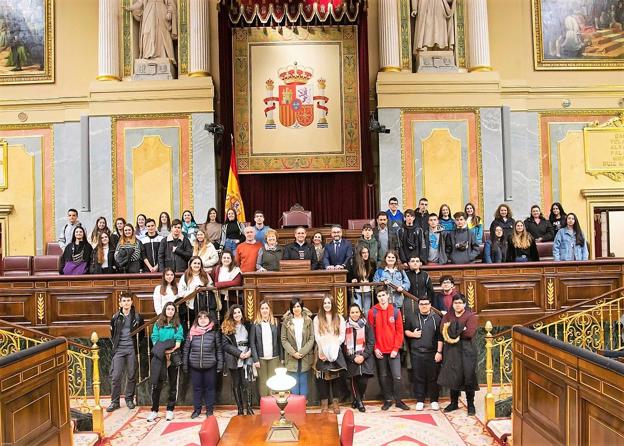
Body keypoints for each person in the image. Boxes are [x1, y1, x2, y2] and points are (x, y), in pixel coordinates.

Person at [438, 294, 479, 416]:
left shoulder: (471, 316)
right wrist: (461, 328)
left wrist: (453, 329)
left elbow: (470, 333)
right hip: (452, 350)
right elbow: (442, 330)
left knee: (468, 376)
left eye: (460, 303)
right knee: (453, 376)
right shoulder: (448, 315)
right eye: (455, 303)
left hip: (467, 350)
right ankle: (454, 403)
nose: (458, 305)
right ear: (453, 304)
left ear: (465, 304)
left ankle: (470, 405)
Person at [368, 288, 409, 411]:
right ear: (377, 297)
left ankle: (398, 401)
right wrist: (375, 348)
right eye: (379, 295)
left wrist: (396, 348)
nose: (381, 297)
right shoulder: (372, 312)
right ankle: (387, 400)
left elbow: (399, 332)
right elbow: (371, 333)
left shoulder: (395, 311)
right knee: (384, 376)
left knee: (397, 376)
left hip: (393, 351)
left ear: (388, 296)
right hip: (380, 351)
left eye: (383, 295)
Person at [404, 296, 442, 411]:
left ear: (430, 305)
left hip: (432, 353)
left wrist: (439, 352)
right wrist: (413, 335)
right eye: (421, 304)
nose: (424, 306)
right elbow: (406, 331)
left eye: (426, 303)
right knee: (418, 377)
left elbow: (441, 337)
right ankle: (420, 400)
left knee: (433, 378)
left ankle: (434, 400)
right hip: (417, 352)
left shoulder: (437, 318)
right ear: (418, 305)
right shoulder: (412, 317)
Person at [107, 292, 144, 412]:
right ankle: (115, 401)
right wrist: (116, 346)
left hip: (131, 349)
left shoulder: (138, 317)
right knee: (115, 376)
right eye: (124, 301)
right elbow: (113, 334)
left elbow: (142, 334)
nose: (126, 303)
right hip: (119, 350)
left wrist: (136, 345)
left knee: (132, 374)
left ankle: (129, 399)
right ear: (120, 303)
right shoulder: (115, 317)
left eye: (128, 300)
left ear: (132, 302)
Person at [147, 302, 184, 422]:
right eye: (168, 309)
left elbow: (178, 341)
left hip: (172, 356)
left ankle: (170, 410)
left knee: (173, 384)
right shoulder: (158, 324)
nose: (170, 311)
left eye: (172, 309)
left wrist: (168, 351)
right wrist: (162, 350)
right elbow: (155, 339)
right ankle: (154, 410)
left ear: (175, 312)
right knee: (157, 384)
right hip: (159, 357)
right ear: (164, 310)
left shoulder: (178, 325)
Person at [183, 310, 223, 418]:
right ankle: (197, 410)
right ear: (197, 320)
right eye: (200, 318)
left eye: (205, 317)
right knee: (196, 389)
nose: (203, 319)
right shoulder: (191, 332)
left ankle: (209, 410)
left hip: (210, 366)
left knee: (210, 388)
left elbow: (219, 349)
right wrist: (185, 364)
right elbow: (186, 349)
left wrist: (220, 364)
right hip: (195, 366)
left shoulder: (214, 333)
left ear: (209, 320)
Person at [313, 296, 347, 414]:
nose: (327, 305)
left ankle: (336, 403)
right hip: (322, 350)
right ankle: (324, 403)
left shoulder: (340, 318)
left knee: (336, 377)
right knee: (323, 378)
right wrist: (323, 350)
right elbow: (317, 336)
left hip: (335, 350)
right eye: (325, 303)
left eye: (329, 303)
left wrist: (334, 347)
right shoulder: (317, 319)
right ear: (322, 305)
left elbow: (342, 336)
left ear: (332, 304)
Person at [221, 305, 255, 415]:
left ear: (242, 313)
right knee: (236, 384)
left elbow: (253, 340)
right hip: (234, 358)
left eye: (239, 312)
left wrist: (249, 352)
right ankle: (240, 409)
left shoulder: (248, 325)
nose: (237, 315)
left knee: (247, 383)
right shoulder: (227, 327)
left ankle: (249, 407)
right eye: (234, 313)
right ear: (231, 315)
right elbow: (226, 345)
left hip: (247, 357)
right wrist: (239, 354)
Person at [343, 303, 375, 412]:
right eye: (352, 312)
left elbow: (371, 342)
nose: (355, 314)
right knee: (354, 380)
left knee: (363, 382)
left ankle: (357, 399)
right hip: (351, 359)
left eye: (357, 312)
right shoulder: (345, 326)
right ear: (349, 314)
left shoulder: (366, 324)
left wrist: (363, 356)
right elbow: (344, 345)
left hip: (365, 358)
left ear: (360, 313)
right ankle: (360, 402)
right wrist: (353, 357)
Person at [281, 297, 315, 397]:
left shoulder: (308, 321)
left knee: (304, 383)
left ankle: (303, 407)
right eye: (294, 306)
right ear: (291, 308)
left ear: (302, 307)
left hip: (305, 356)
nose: (296, 308)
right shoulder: (286, 322)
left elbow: (311, 338)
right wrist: (294, 353)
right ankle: (295, 408)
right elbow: (284, 339)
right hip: (291, 357)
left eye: (298, 306)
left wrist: (302, 352)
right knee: (294, 385)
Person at [250, 300, 282, 397]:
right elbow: (252, 343)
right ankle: (264, 405)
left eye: (266, 308)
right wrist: (255, 359)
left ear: (270, 310)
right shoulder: (255, 324)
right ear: (259, 310)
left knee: (272, 381)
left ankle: (272, 404)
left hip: (274, 357)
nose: (264, 310)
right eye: (262, 308)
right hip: (261, 359)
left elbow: (279, 341)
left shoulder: (275, 323)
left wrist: (282, 358)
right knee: (263, 382)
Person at [179, 256, 214, 329]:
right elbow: (181, 292)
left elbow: (211, 286)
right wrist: (193, 290)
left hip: (204, 304)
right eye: (195, 263)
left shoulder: (205, 274)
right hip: (191, 306)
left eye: (199, 263)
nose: (197, 265)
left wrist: (203, 288)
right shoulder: (185, 276)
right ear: (190, 264)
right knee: (194, 324)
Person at [212, 250, 243, 320]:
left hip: (231, 298)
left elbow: (236, 282)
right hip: (219, 297)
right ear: (221, 259)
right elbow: (213, 281)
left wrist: (219, 285)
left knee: (231, 316)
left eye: (228, 258)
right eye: (224, 258)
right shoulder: (216, 269)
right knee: (221, 317)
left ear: (231, 259)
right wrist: (217, 285)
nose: (226, 259)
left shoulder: (236, 269)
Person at [404, 256, 435, 322]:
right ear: (409, 263)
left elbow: (430, 290)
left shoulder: (425, 275)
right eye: (412, 261)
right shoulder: (405, 274)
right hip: (409, 303)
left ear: (420, 263)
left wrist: (428, 301)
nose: (415, 263)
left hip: (422, 303)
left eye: (417, 261)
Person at [347, 246, 376, 315]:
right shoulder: (353, 263)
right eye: (363, 253)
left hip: (368, 290)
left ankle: (366, 325)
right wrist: (352, 279)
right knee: (358, 310)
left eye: (367, 252)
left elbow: (373, 276)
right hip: (356, 291)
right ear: (359, 254)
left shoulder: (371, 262)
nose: (366, 254)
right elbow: (348, 275)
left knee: (367, 311)